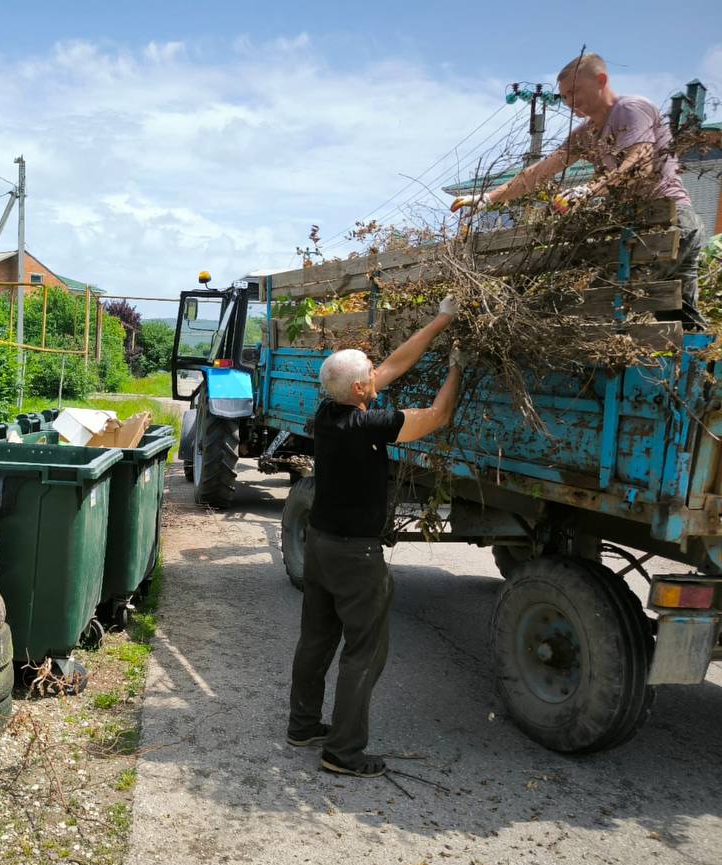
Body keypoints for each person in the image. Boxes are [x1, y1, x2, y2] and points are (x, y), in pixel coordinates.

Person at [287, 297, 466, 778]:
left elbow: (393, 364)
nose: (376, 371)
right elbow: (437, 415)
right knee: (365, 651)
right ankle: (343, 752)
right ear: (361, 388)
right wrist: (457, 367)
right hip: (354, 556)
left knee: (316, 639)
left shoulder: (329, 413)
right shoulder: (370, 424)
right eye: (370, 372)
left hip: (322, 545)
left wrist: (442, 319)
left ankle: (303, 725)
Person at [451, 53, 706, 328]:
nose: (570, 101)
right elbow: (538, 172)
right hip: (647, 224)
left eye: (574, 91)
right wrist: (488, 198)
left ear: (601, 80)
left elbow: (639, 164)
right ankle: (698, 366)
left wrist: (587, 190)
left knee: (602, 298)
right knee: (676, 314)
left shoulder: (631, 109)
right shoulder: (586, 134)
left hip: (670, 221)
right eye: (564, 96)